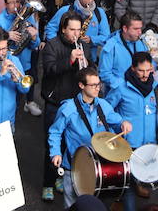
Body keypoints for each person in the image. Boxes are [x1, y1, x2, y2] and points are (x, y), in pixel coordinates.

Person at [48, 66, 129, 208]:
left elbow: (116, 122)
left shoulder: (104, 105)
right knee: (73, 205)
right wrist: (55, 153)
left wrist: (123, 123)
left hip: (100, 164)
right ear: (81, 85)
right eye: (93, 85)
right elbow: (55, 132)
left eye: (99, 84)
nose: (98, 88)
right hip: (74, 166)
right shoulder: (68, 108)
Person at [105, 51, 158, 211]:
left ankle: (129, 191)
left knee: (141, 178)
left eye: (148, 70)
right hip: (128, 146)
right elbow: (107, 111)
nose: (145, 75)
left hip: (150, 145)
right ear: (133, 68)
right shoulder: (120, 87)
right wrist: (121, 122)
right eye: (141, 71)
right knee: (128, 184)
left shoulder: (156, 87)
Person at [40, 12, 86, 201]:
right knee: (53, 146)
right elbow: (50, 69)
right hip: (55, 102)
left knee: (70, 144)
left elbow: (87, 71)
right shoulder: (52, 45)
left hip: (73, 103)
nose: (76, 34)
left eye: (79, 30)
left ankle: (61, 177)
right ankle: (48, 184)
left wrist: (85, 64)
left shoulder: (82, 45)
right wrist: (70, 60)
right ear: (63, 29)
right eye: (72, 30)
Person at [0, 0, 40, 113]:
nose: (15, 5)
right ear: (6, 4)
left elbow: (35, 45)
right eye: (11, 2)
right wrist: (7, 35)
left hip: (24, 64)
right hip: (5, 65)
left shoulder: (29, 19)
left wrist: (34, 37)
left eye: (17, 2)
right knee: (4, 98)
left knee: (18, 98)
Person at [44, 0, 110, 63]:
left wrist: (92, 39)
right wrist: (56, 46)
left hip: (89, 58)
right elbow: (51, 28)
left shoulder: (99, 13)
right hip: (64, 56)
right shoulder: (65, 10)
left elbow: (106, 37)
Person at [99, 11, 149, 94]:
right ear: (125, 29)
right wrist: (123, 86)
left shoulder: (140, 43)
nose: (140, 32)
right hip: (119, 94)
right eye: (136, 29)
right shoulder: (111, 46)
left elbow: (150, 62)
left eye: (140, 28)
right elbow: (104, 74)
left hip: (139, 90)